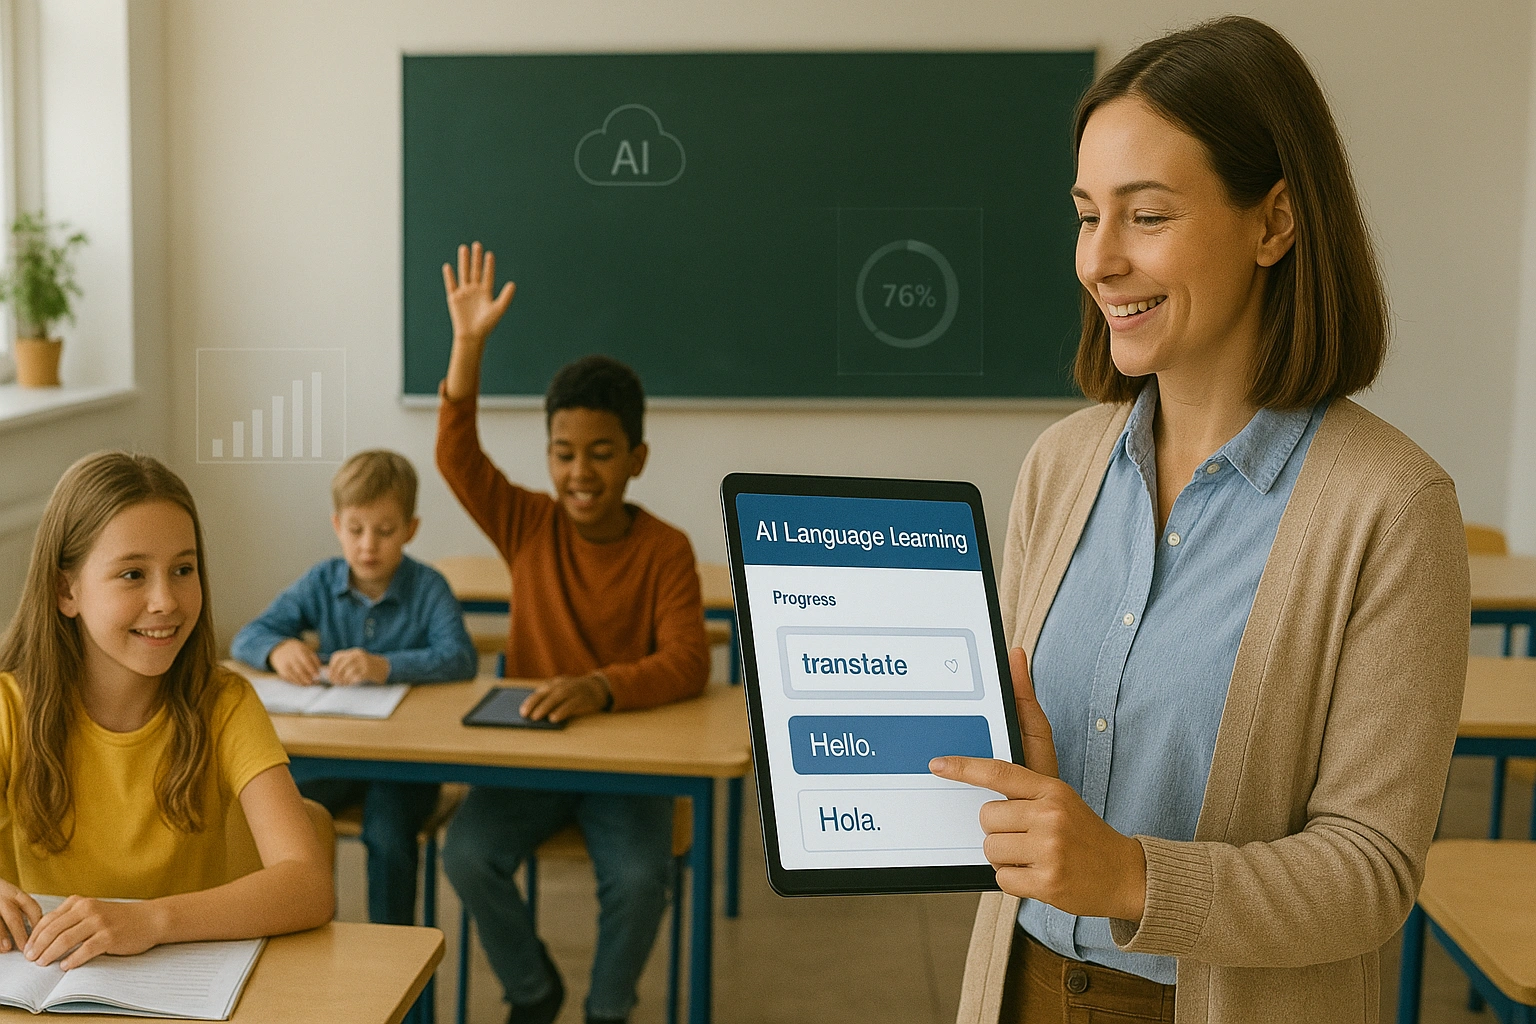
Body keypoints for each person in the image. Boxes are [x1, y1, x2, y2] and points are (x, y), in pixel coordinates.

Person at [930, 17, 1468, 1024]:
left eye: (1147, 215)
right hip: (1022, 988)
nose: (1099, 260)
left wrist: (1131, 874)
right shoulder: (1059, 466)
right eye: (1087, 215)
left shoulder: (1392, 508)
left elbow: (1371, 871)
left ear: (1275, 223)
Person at [435, 242, 710, 1024]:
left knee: (638, 878)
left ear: (637, 459)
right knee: (466, 852)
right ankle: (534, 991)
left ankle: (605, 1009)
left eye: (600, 454)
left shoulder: (664, 549)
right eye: (563, 454)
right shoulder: (527, 523)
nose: (579, 473)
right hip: (530, 753)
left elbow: (688, 661)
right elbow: (457, 456)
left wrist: (600, 687)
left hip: (625, 763)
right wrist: (468, 345)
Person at [0, 451, 333, 968]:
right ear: (67, 589)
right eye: (133, 574)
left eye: (183, 569)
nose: (166, 600)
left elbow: (309, 883)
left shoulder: (224, 704)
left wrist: (149, 920)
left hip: (184, 996)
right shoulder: (7, 709)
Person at [231, 448, 476, 926]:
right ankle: (303, 928)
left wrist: (385, 666)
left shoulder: (429, 588)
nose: (368, 546)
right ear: (337, 525)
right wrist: (279, 651)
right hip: (336, 754)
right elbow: (248, 635)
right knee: (276, 812)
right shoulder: (322, 581)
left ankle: (394, 954)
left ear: (411, 529)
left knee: (387, 837)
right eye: (356, 530)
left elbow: (460, 658)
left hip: (405, 764)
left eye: (385, 532)